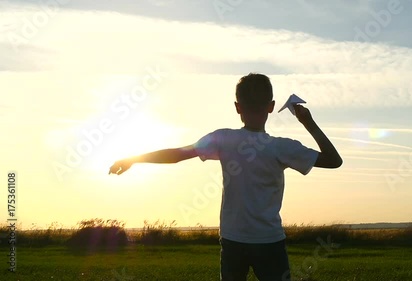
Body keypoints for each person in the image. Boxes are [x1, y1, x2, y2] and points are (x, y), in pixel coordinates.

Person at [108, 73, 342, 281]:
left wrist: (133, 158)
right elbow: (334, 160)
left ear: (237, 107)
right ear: (271, 107)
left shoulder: (223, 139)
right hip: (269, 242)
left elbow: (177, 155)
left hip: (233, 241)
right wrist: (307, 121)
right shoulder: (281, 147)